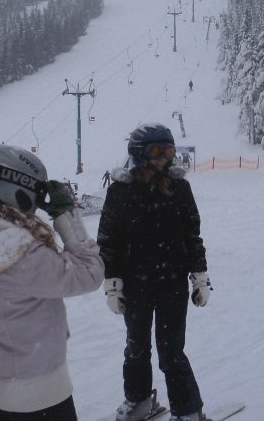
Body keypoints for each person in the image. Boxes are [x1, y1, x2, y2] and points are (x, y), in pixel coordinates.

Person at [0, 144, 104, 421]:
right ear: (18, 189)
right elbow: (90, 273)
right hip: (39, 395)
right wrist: (66, 215)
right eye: (38, 194)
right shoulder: (19, 253)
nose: (38, 204)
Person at [97, 123, 211, 421]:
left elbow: (192, 236)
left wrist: (199, 277)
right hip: (136, 285)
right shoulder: (120, 191)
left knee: (171, 352)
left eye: (169, 152)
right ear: (138, 154)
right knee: (136, 347)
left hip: (171, 283)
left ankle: (188, 410)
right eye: (156, 152)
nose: (163, 159)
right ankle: (139, 401)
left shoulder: (180, 188)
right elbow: (108, 241)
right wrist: (113, 284)